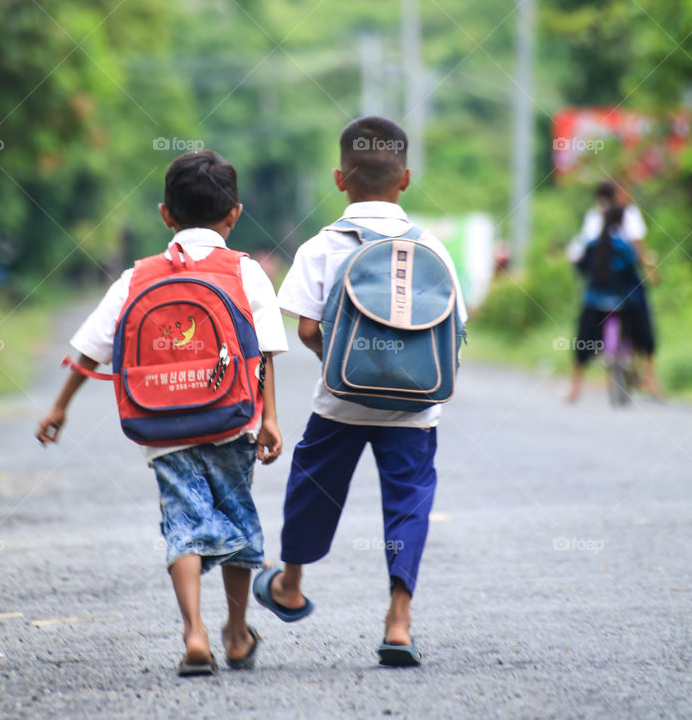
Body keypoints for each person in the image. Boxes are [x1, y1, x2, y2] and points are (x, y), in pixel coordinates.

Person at [35, 151, 287, 676]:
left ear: (164, 214)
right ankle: (237, 634)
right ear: (234, 214)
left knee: (183, 523)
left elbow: (90, 349)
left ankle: (193, 632)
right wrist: (269, 419)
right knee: (237, 517)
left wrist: (59, 407)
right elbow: (263, 352)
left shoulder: (138, 276)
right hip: (231, 418)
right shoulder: (245, 271)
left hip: (163, 423)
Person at [252, 116, 467, 667]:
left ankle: (290, 584)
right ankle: (398, 622)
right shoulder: (434, 250)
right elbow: (455, 331)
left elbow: (303, 328)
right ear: (407, 179)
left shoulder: (322, 246)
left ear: (339, 178)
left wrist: (346, 364)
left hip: (340, 403)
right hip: (415, 409)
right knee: (408, 502)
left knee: (312, 487)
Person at [567, 179, 662, 398]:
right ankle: (650, 378)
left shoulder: (593, 221)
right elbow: (638, 255)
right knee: (644, 324)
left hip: (596, 295)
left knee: (584, 334)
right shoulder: (627, 227)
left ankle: (576, 384)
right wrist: (651, 272)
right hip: (626, 295)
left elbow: (580, 261)